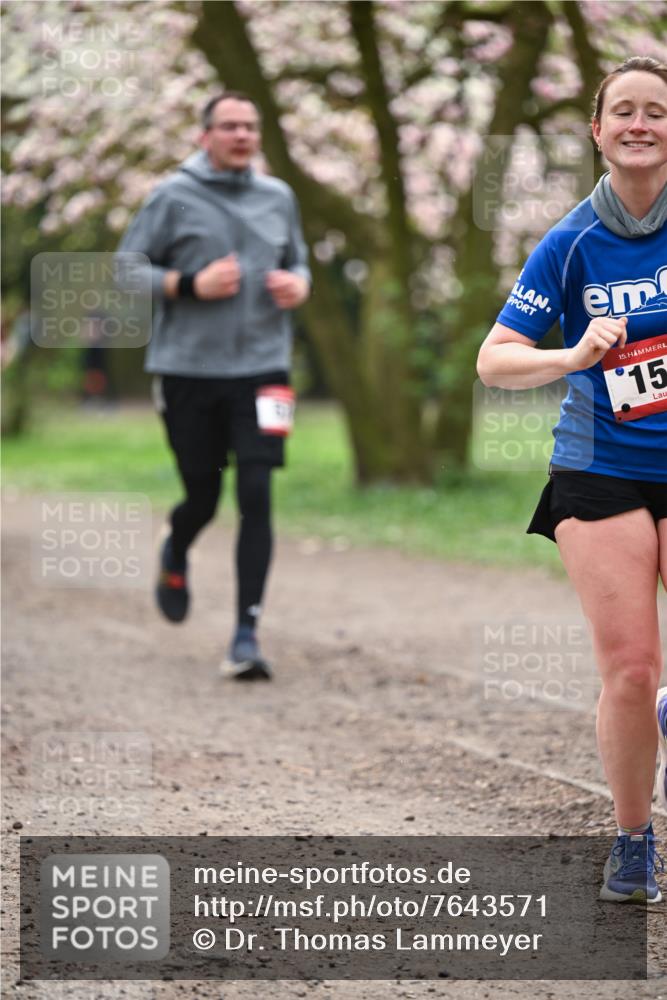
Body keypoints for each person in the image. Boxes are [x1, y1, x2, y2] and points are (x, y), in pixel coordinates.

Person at [477, 57, 667, 903]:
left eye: (655, 111)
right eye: (621, 110)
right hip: (600, 469)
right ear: (596, 130)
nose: (638, 123)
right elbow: (494, 362)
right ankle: (632, 839)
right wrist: (573, 353)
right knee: (630, 670)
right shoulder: (568, 242)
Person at [118, 92, 311, 680]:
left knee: (257, 490)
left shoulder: (279, 196)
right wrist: (186, 284)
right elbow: (126, 269)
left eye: (250, 126)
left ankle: (246, 633)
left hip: (264, 370)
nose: (242, 135)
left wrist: (299, 285)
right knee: (202, 495)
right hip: (188, 372)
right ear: (205, 136)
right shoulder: (172, 196)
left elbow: (300, 262)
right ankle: (177, 548)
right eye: (229, 126)